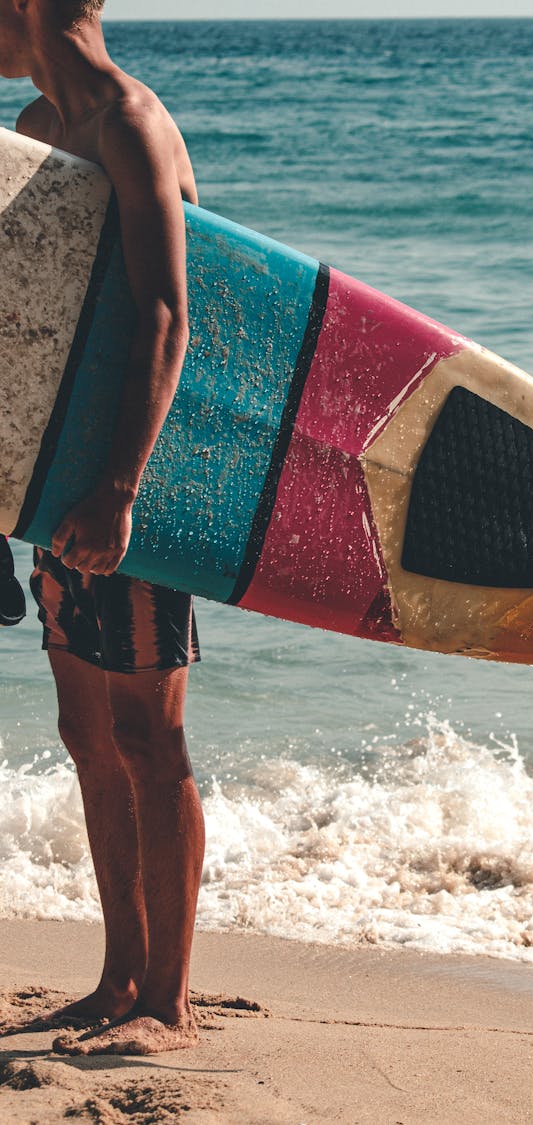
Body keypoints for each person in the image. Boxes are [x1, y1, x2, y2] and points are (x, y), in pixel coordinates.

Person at [0, 0, 205, 1055]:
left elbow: (166, 311)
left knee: (146, 736)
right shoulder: (37, 130)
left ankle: (168, 1002)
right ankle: (117, 975)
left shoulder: (130, 120)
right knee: (88, 737)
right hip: (57, 482)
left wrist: (122, 489)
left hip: (135, 482)